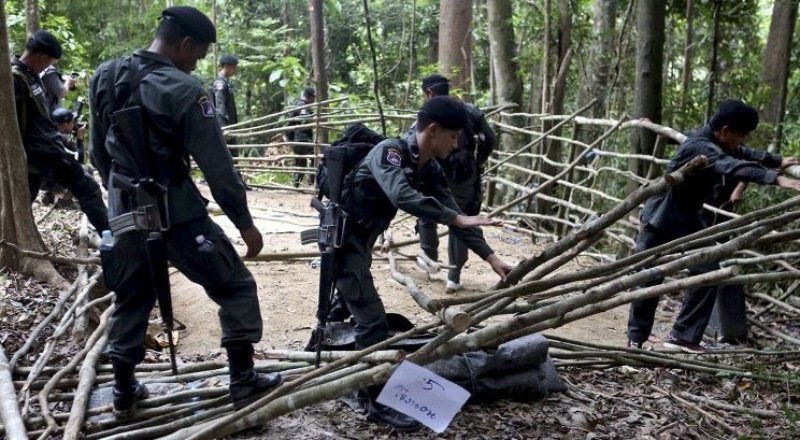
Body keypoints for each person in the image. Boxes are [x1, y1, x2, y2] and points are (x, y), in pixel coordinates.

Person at [89, 6, 280, 417]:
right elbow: (218, 167)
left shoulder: (105, 74)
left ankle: (123, 392)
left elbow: (97, 151)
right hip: (177, 212)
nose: (198, 62)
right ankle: (244, 382)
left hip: (123, 210)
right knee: (235, 287)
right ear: (185, 44)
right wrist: (245, 225)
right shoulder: (185, 89)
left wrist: (121, 195)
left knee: (132, 295)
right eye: (198, 54)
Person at [327, 96, 512, 429]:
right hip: (344, 242)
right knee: (371, 321)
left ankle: (337, 358)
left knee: (347, 308)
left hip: (362, 242)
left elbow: (456, 214)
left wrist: (492, 258)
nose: (457, 144)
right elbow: (402, 195)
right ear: (433, 130)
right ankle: (374, 398)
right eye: (453, 136)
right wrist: (456, 219)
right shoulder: (389, 152)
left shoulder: (429, 168)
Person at [626, 99, 800, 353]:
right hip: (662, 218)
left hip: (690, 218)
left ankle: (683, 337)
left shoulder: (718, 141)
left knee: (707, 269)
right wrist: (776, 179)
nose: (741, 142)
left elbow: (743, 155)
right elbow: (729, 164)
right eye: (740, 136)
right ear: (726, 130)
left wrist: (776, 161)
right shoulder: (701, 146)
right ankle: (635, 340)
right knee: (648, 277)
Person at [11, 30, 109, 233]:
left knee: (21, 207)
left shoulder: (30, 76)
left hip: (47, 150)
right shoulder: (14, 79)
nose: (49, 67)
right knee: (88, 187)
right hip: (39, 154)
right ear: (41, 56)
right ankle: (113, 239)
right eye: (49, 62)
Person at [406, 74, 496, 293]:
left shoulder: (426, 116)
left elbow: (410, 143)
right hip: (464, 178)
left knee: (427, 212)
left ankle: (430, 259)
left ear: (429, 93)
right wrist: (477, 162)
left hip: (433, 174)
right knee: (461, 217)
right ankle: (453, 276)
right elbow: (489, 137)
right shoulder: (470, 111)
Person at [40, 108, 88, 206]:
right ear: (65, 124)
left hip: (40, 179)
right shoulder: (61, 139)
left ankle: (50, 194)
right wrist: (80, 139)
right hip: (49, 180)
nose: (74, 124)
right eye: (72, 122)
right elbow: (80, 161)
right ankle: (65, 200)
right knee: (86, 171)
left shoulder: (49, 133)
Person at [286, 87, 316, 187]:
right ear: (310, 97)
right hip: (302, 139)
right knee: (315, 156)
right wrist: (313, 115)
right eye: (314, 97)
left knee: (301, 162)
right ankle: (312, 181)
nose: (314, 100)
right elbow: (304, 119)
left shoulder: (299, 104)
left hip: (295, 139)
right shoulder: (303, 105)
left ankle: (296, 184)